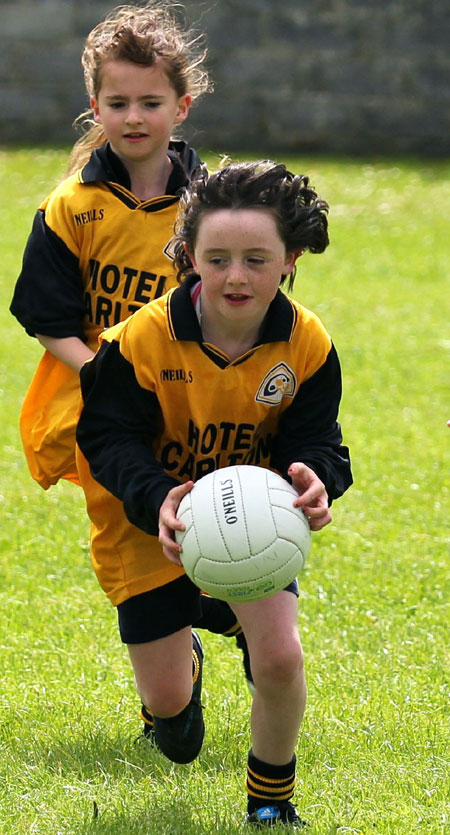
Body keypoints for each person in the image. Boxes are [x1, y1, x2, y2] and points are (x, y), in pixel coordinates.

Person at [76, 159, 353, 827]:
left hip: (247, 524)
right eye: (218, 258)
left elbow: (318, 442)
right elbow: (106, 439)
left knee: (281, 656)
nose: (236, 276)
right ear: (190, 256)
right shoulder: (141, 339)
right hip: (148, 525)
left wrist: (316, 478)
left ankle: (270, 800)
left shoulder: (307, 344)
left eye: (256, 259)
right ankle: (191, 649)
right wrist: (160, 496)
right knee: (175, 725)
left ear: (288, 259)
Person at [9, 0, 244, 707]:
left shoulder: (209, 206)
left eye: (151, 101)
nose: (134, 116)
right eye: (118, 102)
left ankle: (234, 617)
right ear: (95, 105)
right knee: (131, 539)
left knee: (211, 521)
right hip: (101, 409)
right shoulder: (71, 206)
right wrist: (108, 378)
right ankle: (176, 660)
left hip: (194, 400)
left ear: (182, 105)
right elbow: (46, 317)